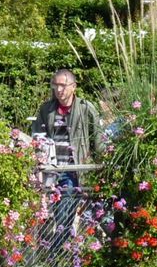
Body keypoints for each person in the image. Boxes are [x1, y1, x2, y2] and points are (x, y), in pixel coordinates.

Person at [31, 68, 103, 251]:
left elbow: (98, 140)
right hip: (53, 171)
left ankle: (55, 253)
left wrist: (103, 166)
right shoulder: (46, 110)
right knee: (59, 214)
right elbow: (38, 136)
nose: (59, 89)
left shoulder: (86, 108)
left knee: (66, 215)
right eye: (56, 85)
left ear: (73, 87)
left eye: (63, 85)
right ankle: (60, 255)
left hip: (76, 170)